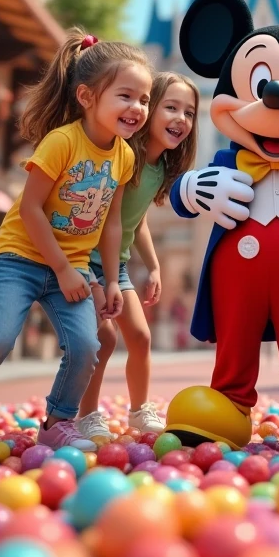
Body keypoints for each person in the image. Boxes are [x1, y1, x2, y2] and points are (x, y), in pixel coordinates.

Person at [0, 31, 152, 451]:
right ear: (88, 97)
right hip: (21, 257)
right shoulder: (62, 142)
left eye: (144, 99)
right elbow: (31, 209)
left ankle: (57, 420)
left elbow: (110, 225)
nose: (137, 108)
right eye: (126, 96)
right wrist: (61, 268)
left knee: (88, 345)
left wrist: (110, 280)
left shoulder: (125, 157)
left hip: (72, 267)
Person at [77, 72, 199, 440]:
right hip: (85, 259)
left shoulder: (160, 168)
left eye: (190, 113)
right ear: (149, 109)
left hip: (118, 263)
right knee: (104, 338)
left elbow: (136, 217)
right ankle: (86, 414)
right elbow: (110, 220)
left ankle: (140, 410)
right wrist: (108, 277)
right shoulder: (123, 156)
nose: (181, 118)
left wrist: (155, 264)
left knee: (141, 338)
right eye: (171, 107)